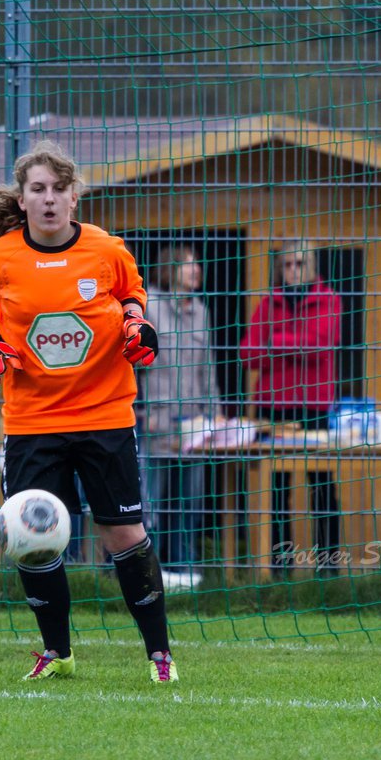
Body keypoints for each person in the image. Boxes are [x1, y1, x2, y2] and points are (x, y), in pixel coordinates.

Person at [0, 140, 178, 683]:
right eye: (39, 189)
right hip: (32, 423)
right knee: (33, 543)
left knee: (124, 537)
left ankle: (160, 655)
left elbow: (133, 295)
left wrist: (136, 326)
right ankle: (57, 652)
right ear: (24, 197)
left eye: (61, 189)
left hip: (106, 416)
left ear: (75, 196)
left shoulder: (106, 251)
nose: (51, 199)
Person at [238, 241, 343, 569]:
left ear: (312, 266)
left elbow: (321, 346)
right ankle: (278, 566)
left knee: (322, 488)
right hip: (273, 408)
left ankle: (329, 567)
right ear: (279, 268)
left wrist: (273, 342)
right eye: (287, 265)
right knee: (276, 491)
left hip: (313, 407)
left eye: (299, 264)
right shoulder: (269, 303)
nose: (293, 270)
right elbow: (246, 354)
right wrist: (289, 345)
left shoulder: (330, 300)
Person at [141, 246, 221, 590]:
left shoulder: (201, 310)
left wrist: (214, 414)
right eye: (190, 266)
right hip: (155, 422)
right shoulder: (150, 306)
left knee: (190, 502)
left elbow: (208, 366)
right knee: (149, 503)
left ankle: (186, 574)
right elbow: (133, 364)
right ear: (170, 269)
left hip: (194, 424)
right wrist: (140, 411)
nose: (197, 272)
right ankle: (147, 575)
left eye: (198, 266)